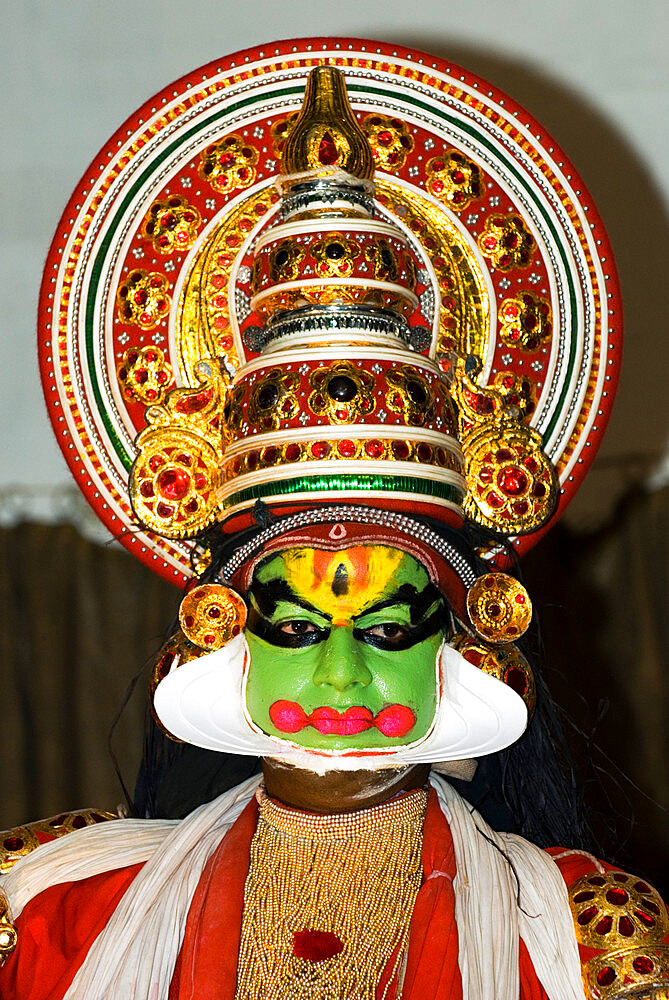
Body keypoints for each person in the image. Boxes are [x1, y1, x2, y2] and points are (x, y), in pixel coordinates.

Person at [1, 50, 667, 1000]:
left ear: (466, 641)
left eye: (390, 630)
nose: (341, 673)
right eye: (296, 625)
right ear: (221, 631)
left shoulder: (586, 942)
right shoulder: (52, 907)